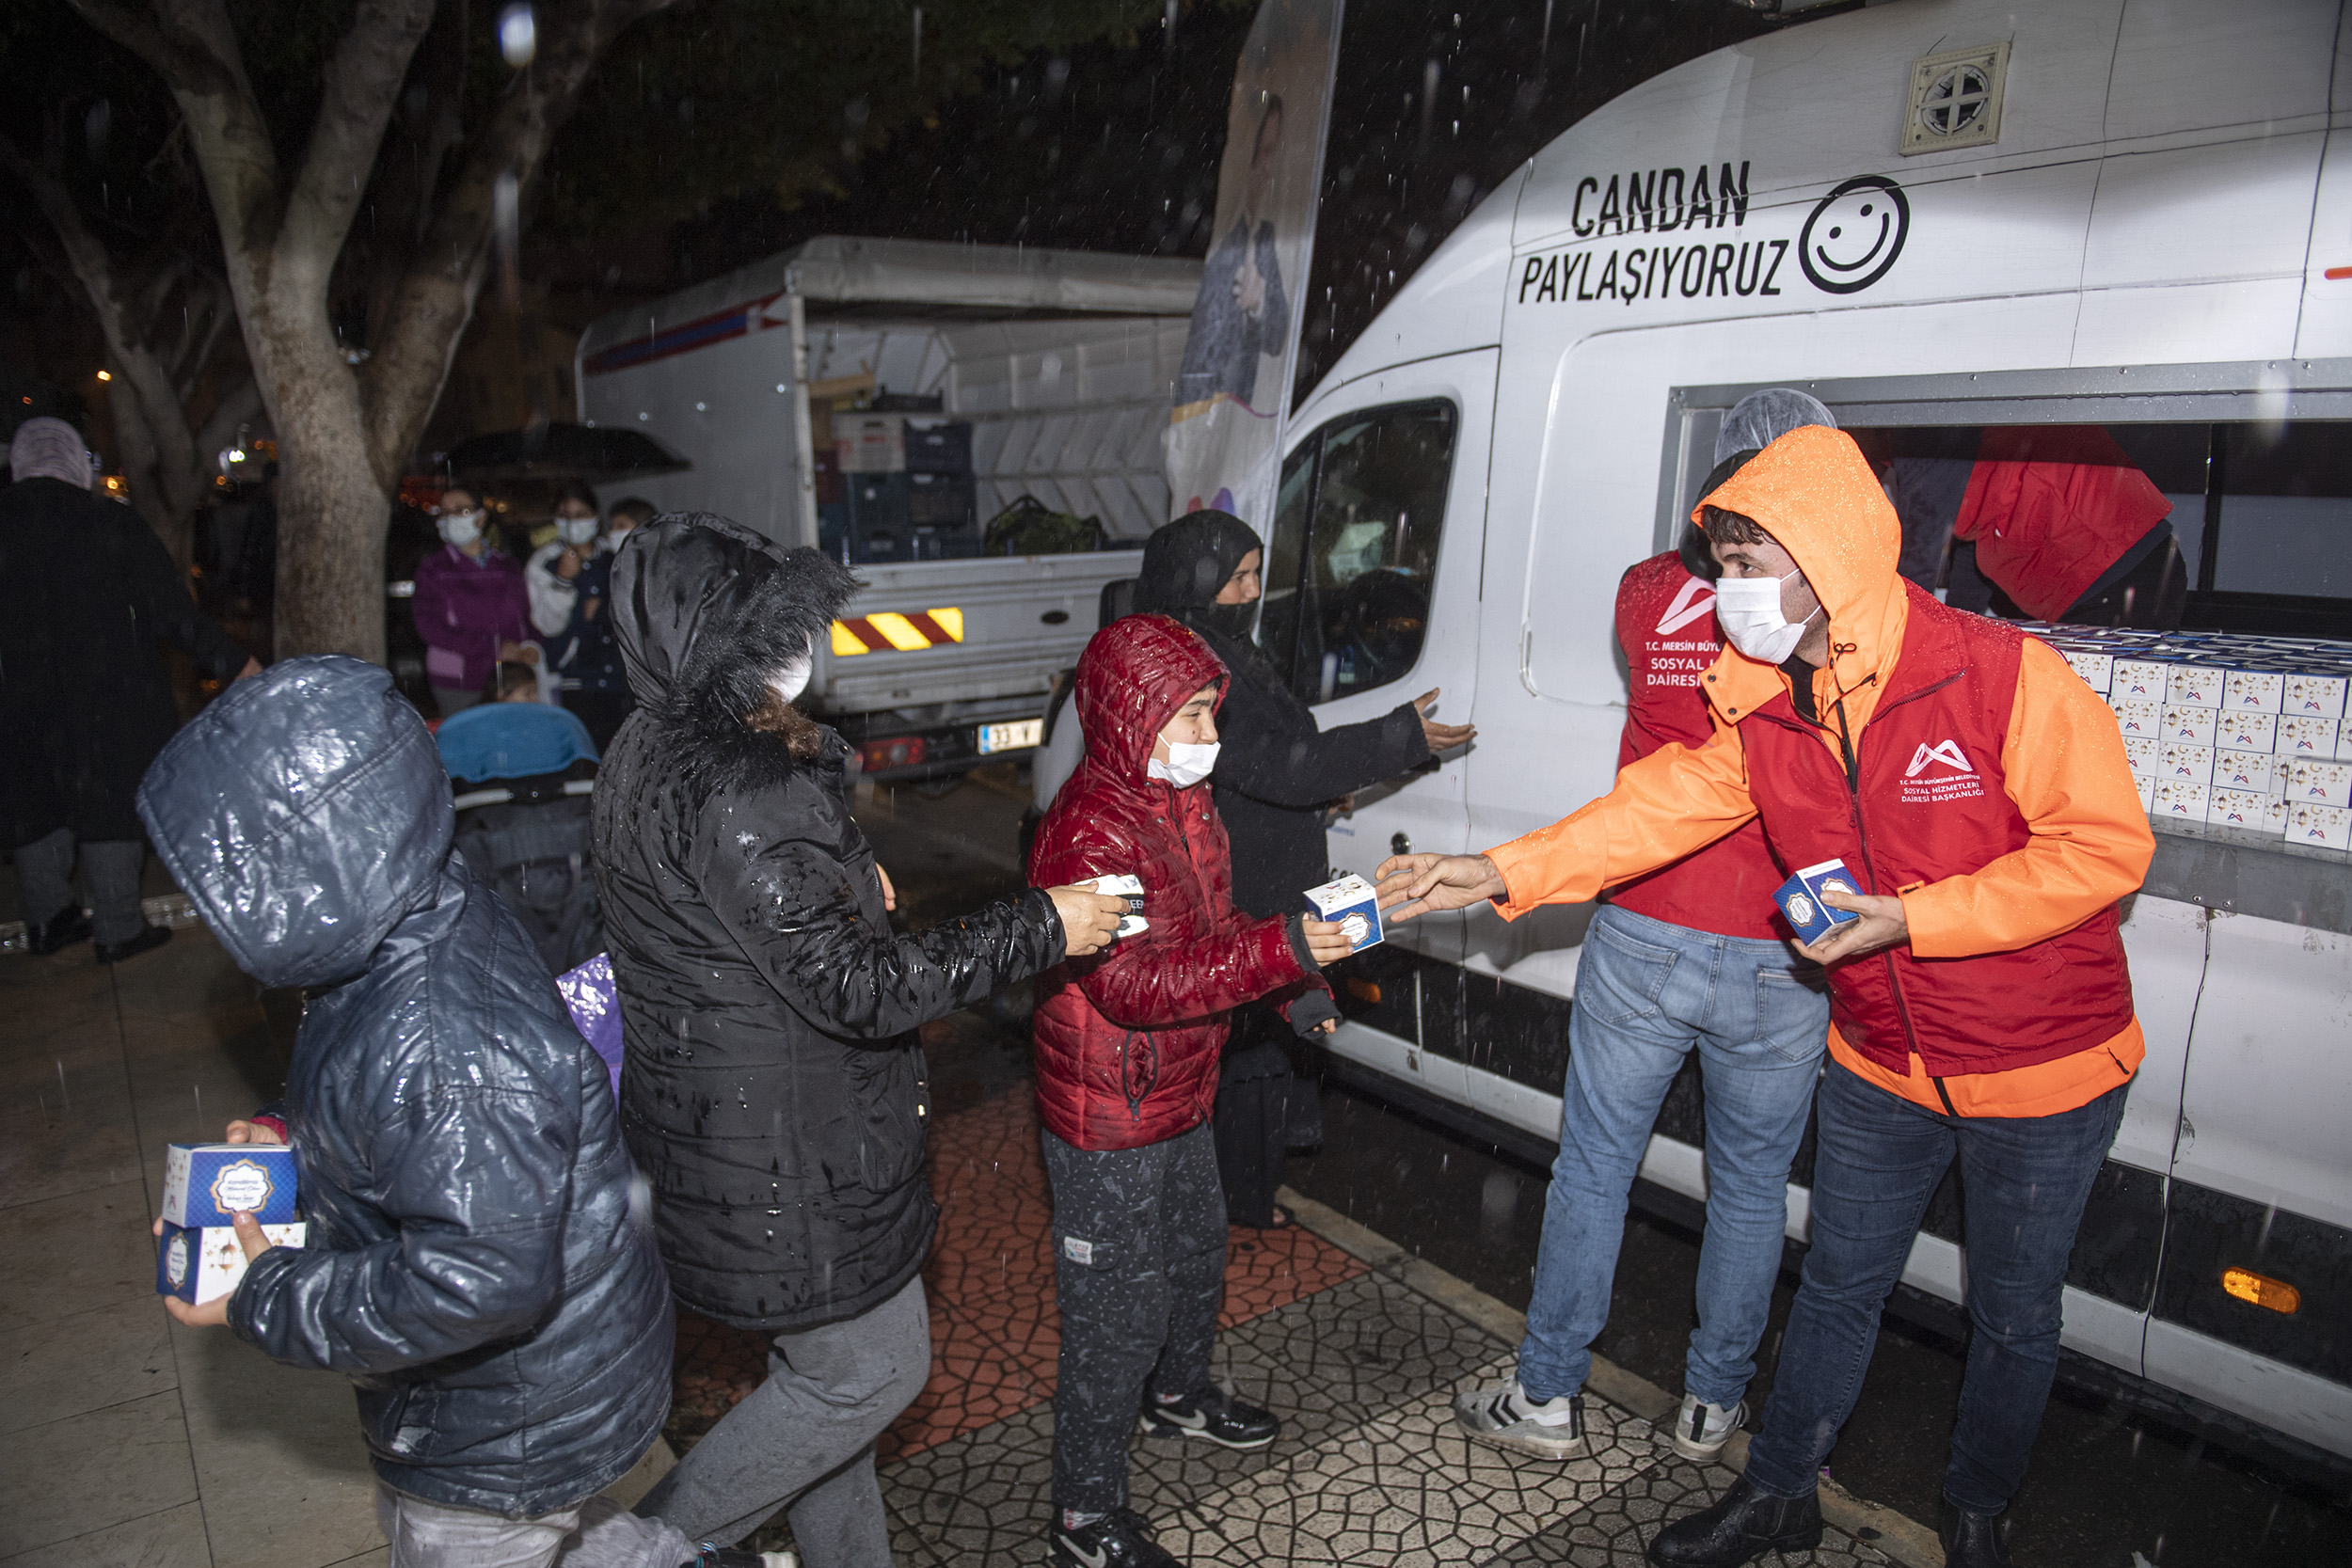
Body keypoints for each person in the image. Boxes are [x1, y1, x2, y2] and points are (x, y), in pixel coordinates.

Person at [1377, 425, 2153, 1568]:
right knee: (1835, 1285)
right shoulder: (1774, 702)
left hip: (2040, 1063)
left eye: (1746, 566)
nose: (1725, 590)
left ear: (1825, 559)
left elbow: (2102, 849)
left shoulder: (2002, 676)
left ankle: (1975, 1512)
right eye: (1722, 563)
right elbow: (1659, 806)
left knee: (2012, 1315)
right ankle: (1781, 1489)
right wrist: (1498, 870)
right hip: (1882, 1059)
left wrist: (1915, 918)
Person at [132, 656, 783, 1568]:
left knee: (501, 1534)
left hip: (505, 1425)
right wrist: (291, 1134)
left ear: (321, 864)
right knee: (575, 1537)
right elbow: (390, 1105)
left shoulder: (445, 1041)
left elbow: (476, 1280)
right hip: (542, 1387)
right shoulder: (416, 913)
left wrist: (265, 1290)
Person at [592, 513, 1126, 1565]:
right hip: (790, 1160)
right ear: (713, 643)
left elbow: (733, 915)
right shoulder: (738, 783)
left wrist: (834, 879)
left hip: (727, 1135)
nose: (795, 650)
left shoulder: (646, 745)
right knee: (870, 1375)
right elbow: (861, 989)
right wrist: (1042, 922)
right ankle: (639, 1549)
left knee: (826, 1400)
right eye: (766, 630)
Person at [1448, 390, 1836, 1468]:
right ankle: (1711, 1402)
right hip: (1783, 948)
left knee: (1593, 1167)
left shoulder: (1645, 590)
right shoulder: (1827, 616)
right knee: (1750, 1188)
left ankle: (1546, 1393)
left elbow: (1675, 707)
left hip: (1646, 923)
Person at [1026, 612, 1358, 1568]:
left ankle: (1176, 1397)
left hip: (1180, 1087)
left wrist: (1293, 984)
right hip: (1107, 1109)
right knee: (1113, 1319)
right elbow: (1131, 986)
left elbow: (1211, 929)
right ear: (1130, 717)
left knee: (1198, 1253)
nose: (1210, 735)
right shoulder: (1088, 829)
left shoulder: (1184, 800)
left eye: (1212, 710)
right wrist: (1281, 951)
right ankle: (1083, 1516)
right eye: (1190, 716)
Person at [1129, 509, 1473, 1228]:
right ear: (1195, 582)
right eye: (1237, 578)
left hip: (1266, 866)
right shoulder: (1189, 664)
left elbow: (1277, 759)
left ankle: (1245, 1193)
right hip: (1240, 882)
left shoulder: (1218, 645)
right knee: (1248, 1050)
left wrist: (1327, 783)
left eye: (1257, 575)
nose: (1253, 592)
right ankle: (1234, 1203)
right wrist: (1398, 737)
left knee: (1269, 1041)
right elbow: (1278, 765)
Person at [0, 415, 258, 964]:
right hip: (107, 696)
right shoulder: (108, 522)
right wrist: (236, 663)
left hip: (17, 699)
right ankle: (117, 925)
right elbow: (171, 610)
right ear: (76, 463)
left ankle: (48, 919)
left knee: (33, 794)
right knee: (108, 798)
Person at [1174, 96, 1289, 416]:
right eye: (1266, 153)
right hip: (1198, 413)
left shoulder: (1267, 240)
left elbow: (1277, 335)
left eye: (1277, 158)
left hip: (1225, 418)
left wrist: (1259, 305)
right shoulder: (1219, 240)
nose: (1270, 169)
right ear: (1251, 164)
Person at [540, 494, 652, 752]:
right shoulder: (552, 563)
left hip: (626, 680)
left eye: (620, 526)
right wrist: (564, 580)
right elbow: (550, 624)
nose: (613, 533)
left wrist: (602, 611)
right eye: (612, 527)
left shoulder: (642, 567)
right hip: (583, 678)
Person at [413, 483, 534, 717]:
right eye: (444, 512)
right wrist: (492, 647)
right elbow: (429, 627)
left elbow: (524, 618)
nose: (451, 518)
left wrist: (529, 646)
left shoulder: (507, 566)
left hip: (508, 679)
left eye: (461, 510)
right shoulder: (433, 569)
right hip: (458, 681)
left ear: (481, 517)